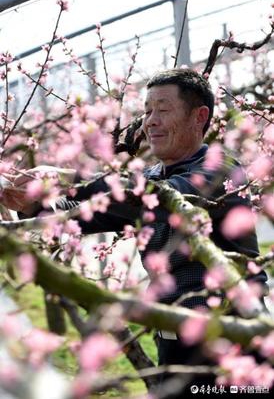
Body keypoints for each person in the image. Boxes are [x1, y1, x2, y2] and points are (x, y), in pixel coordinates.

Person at [1, 69, 268, 396]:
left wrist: (67, 176)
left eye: (163, 109)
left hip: (233, 343)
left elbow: (152, 197)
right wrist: (31, 206)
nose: (150, 121)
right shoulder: (153, 174)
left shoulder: (221, 171)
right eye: (146, 111)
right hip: (173, 344)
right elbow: (88, 214)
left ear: (199, 117)